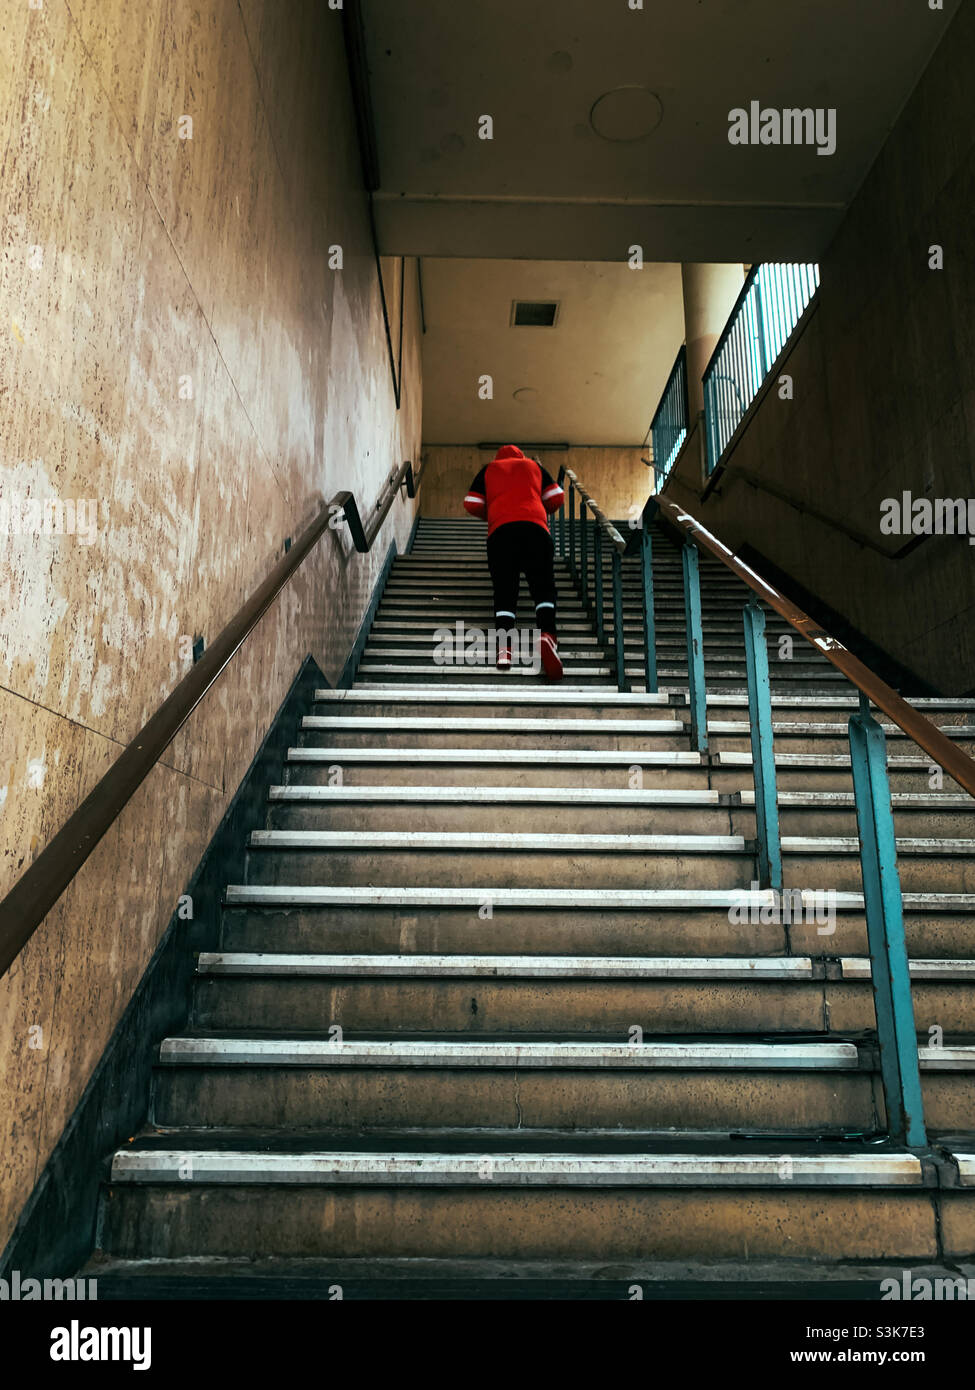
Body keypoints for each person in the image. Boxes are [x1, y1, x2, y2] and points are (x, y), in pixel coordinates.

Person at [463, 444, 565, 680]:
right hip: (535, 529)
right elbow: (556, 496)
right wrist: (540, 507)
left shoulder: (488, 469)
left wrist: (495, 511)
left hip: (500, 533)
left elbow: (471, 502)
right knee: (543, 587)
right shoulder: (534, 466)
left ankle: (504, 649)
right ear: (521, 456)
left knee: (505, 591)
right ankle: (547, 635)